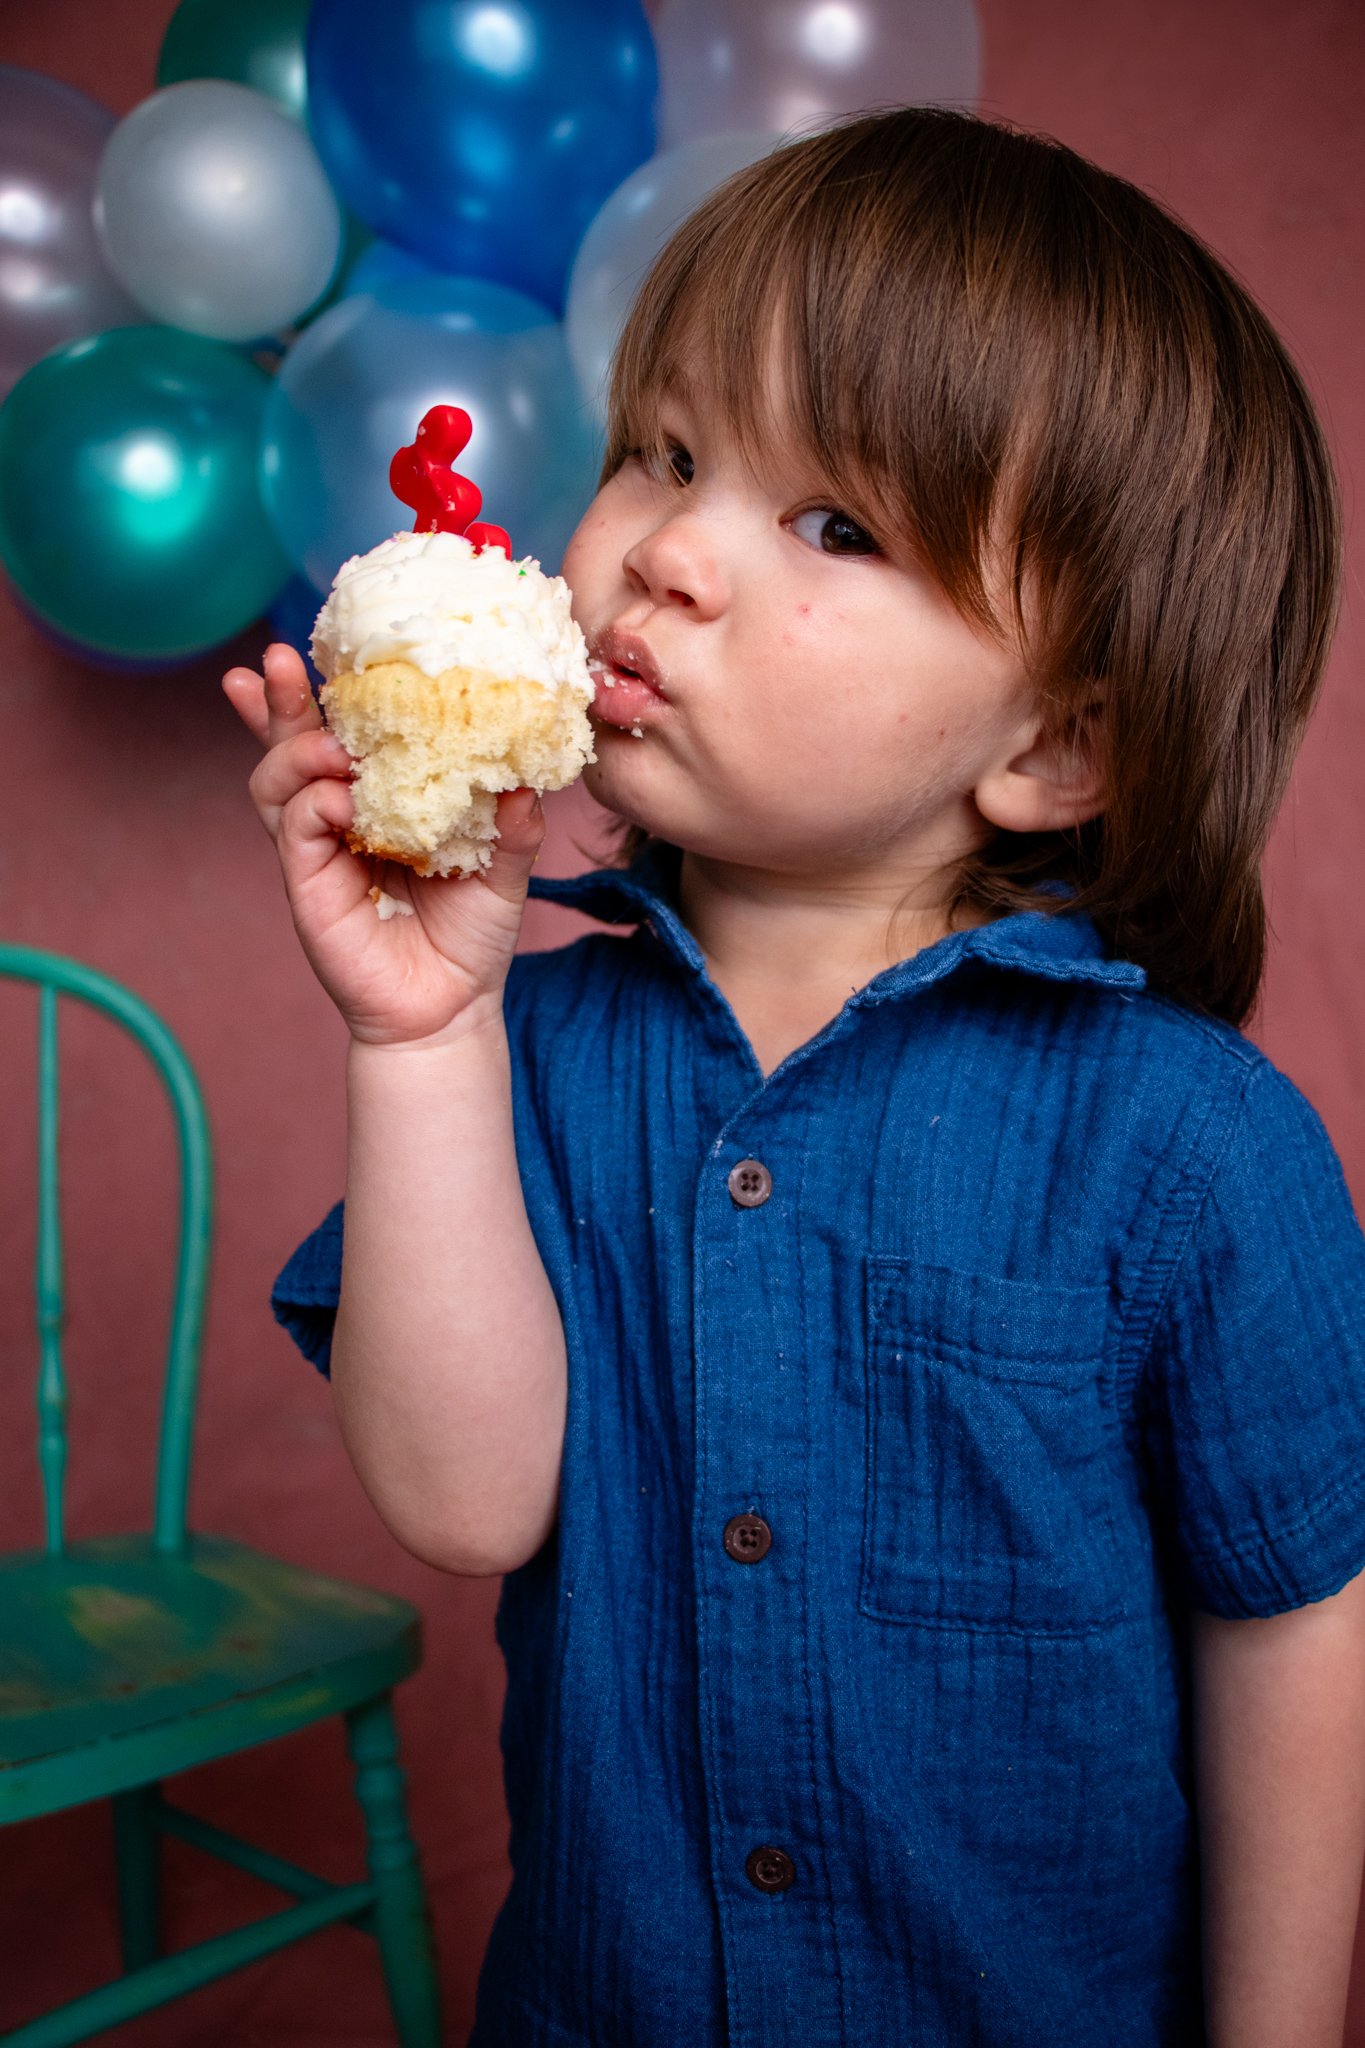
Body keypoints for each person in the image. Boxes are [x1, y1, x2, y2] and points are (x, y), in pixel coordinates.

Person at [223, 107, 1365, 2048]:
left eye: (830, 524)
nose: (663, 550)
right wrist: (419, 1042)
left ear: (1057, 748)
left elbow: (1285, 1636)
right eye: (662, 451)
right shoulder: (532, 1048)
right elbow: (465, 1504)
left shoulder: (1186, 1144)